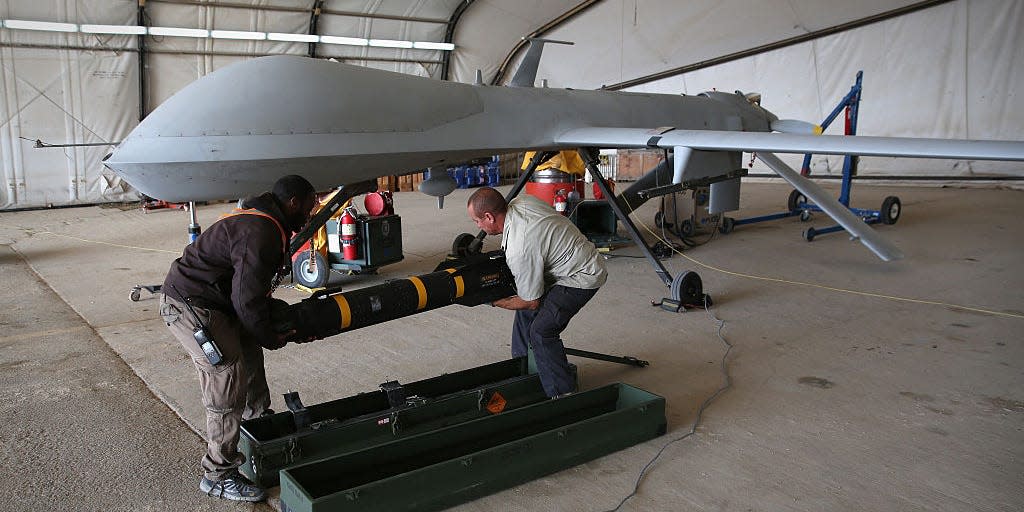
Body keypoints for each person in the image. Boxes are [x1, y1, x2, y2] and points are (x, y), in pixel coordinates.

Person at [159, 175, 316, 502]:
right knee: (225, 376)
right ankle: (218, 474)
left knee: (249, 354)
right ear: (293, 203)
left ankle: (257, 426)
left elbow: (248, 294)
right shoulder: (261, 231)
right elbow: (247, 301)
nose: (311, 213)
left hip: (218, 301)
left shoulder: (265, 220)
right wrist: (272, 336)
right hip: (191, 306)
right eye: (309, 206)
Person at [467, 187, 607, 398]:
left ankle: (563, 394)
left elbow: (531, 301)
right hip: (568, 259)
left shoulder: (520, 247)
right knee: (525, 314)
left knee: (541, 331)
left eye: (477, 221)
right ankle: (525, 369)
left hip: (581, 276)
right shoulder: (521, 201)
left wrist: (491, 300)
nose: (477, 225)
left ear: (489, 216)